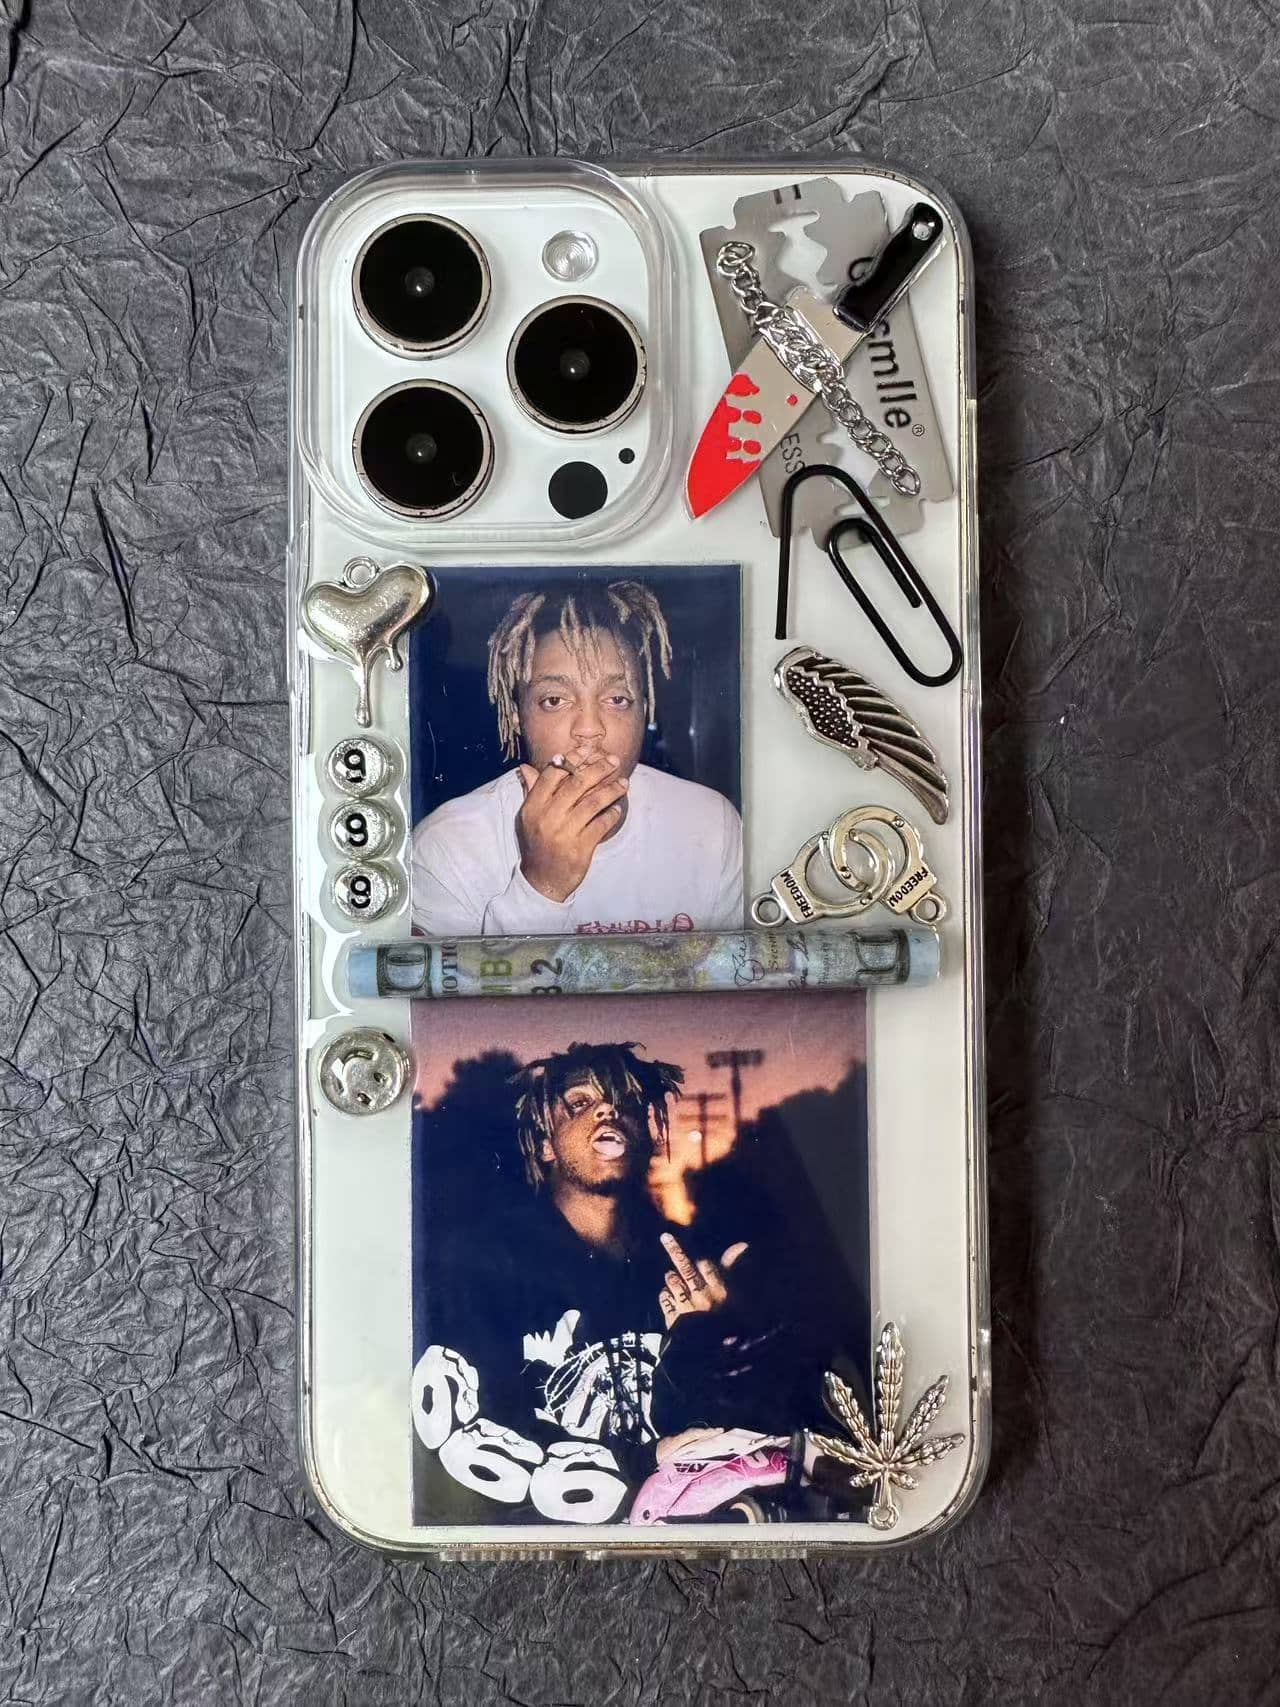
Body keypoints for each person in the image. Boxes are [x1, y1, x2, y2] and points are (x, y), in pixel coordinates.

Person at [412, 1042, 803, 1526]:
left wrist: (710, 1337)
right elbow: (474, 1433)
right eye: (580, 1103)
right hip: (542, 1543)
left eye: (627, 1103)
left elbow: (717, 1433)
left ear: (647, 1135)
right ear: (546, 1144)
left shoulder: (683, 1264)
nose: (608, 1110)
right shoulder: (484, 1261)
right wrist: (641, 1460)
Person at [410, 580, 743, 937]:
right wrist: (541, 887)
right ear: (517, 716)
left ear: (644, 711)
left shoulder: (713, 826)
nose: (589, 729)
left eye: (617, 699)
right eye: (554, 700)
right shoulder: (447, 847)